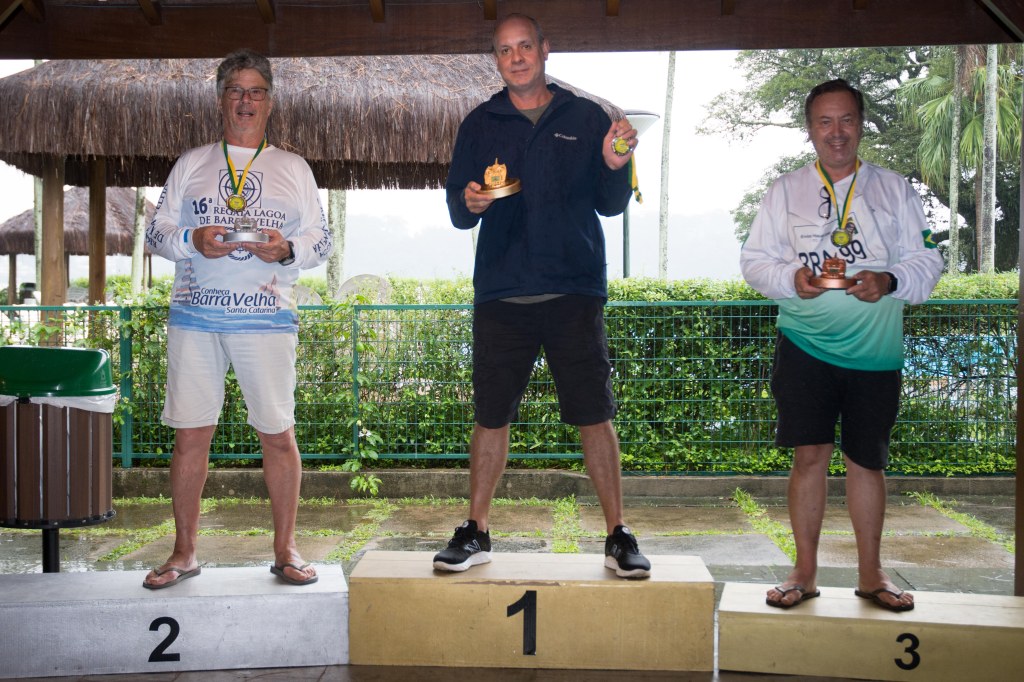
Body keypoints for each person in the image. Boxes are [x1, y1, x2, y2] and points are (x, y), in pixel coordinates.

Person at [435, 13, 650, 579]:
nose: (517, 57)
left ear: (544, 49)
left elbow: (611, 204)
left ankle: (618, 533)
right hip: (501, 292)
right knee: (491, 415)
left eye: (525, 46)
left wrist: (616, 164)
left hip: (574, 288)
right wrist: (470, 202)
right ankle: (476, 529)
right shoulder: (480, 122)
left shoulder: (585, 116)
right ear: (497, 59)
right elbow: (458, 209)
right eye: (506, 50)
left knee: (595, 413)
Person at [740, 79, 943, 611]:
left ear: (861, 124)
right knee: (809, 456)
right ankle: (803, 573)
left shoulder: (894, 189)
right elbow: (755, 262)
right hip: (804, 344)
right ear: (809, 130)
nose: (837, 132)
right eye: (825, 121)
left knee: (866, 462)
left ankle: (872, 575)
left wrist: (889, 280)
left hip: (875, 351)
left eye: (847, 119)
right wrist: (792, 279)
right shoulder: (785, 190)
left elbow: (928, 261)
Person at [142, 49, 332, 589]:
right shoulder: (191, 164)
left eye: (256, 91)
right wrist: (192, 239)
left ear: (270, 102)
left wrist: (287, 248)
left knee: (278, 434)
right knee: (190, 436)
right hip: (195, 318)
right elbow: (156, 233)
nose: (245, 101)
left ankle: (286, 550)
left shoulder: (293, 168)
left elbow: (322, 241)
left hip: (266, 320)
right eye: (235, 90)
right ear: (220, 99)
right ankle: (184, 553)